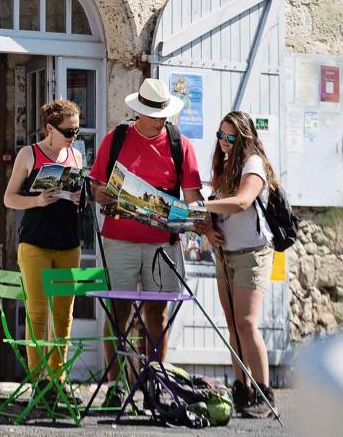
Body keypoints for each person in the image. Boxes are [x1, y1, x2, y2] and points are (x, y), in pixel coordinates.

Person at [90, 78, 204, 407]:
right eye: (155, 114)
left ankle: (154, 383)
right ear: (138, 112)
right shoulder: (117, 139)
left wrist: (198, 219)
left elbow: (192, 197)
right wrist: (104, 195)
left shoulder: (180, 144)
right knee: (118, 311)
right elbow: (97, 186)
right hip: (119, 239)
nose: (161, 120)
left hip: (162, 244)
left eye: (164, 114)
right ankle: (116, 385)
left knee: (158, 313)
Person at [194, 111, 277, 419]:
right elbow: (220, 211)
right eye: (220, 135)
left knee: (246, 323)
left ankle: (264, 392)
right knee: (232, 324)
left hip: (253, 253)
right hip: (226, 253)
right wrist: (208, 226)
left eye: (230, 137)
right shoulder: (224, 165)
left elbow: (242, 202)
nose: (224, 142)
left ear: (245, 138)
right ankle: (241, 388)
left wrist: (203, 205)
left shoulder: (253, 164)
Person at [3, 100, 83, 404]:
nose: (73, 136)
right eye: (68, 131)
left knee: (63, 315)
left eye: (77, 130)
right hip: (35, 242)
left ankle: (57, 379)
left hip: (68, 242)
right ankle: (39, 382)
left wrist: (77, 197)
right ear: (50, 129)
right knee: (37, 312)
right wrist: (36, 201)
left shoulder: (75, 155)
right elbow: (10, 199)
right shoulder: (29, 154)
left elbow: (78, 199)